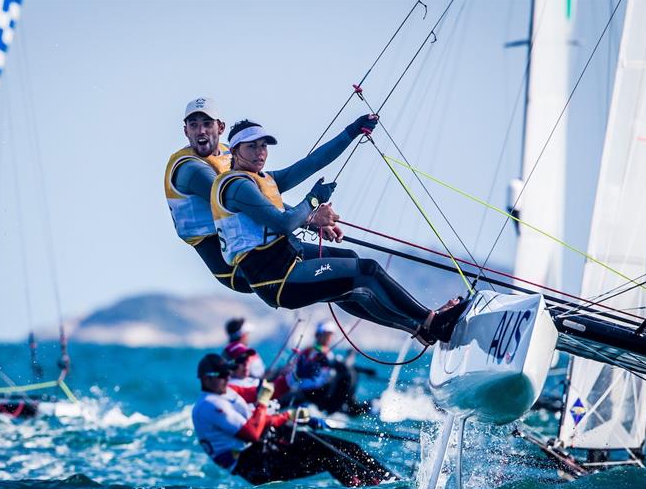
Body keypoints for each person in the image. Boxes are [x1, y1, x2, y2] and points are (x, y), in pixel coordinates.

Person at [210, 119, 469, 345]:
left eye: (263, 146)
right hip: (276, 280)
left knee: (352, 263)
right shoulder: (236, 186)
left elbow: (312, 162)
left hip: (287, 263)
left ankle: (418, 328)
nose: (260, 152)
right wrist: (313, 202)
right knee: (367, 271)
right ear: (234, 151)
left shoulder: (263, 179)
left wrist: (352, 131)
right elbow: (283, 224)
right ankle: (433, 322)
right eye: (251, 147)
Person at [191, 353, 394, 487]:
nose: (228, 378)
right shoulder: (209, 405)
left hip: (268, 446)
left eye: (228, 373)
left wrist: (294, 381)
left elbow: (267, 393)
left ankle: (392, 483)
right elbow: (252, 432)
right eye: (222, 375)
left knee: (349, 448)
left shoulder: (227, 391)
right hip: (255, 465)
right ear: (206, 378)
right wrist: (262, 404)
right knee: (332, 457)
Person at [164, 98, 252, 292]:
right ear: (186, 131)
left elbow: (265, 191)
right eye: (193, 125)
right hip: (234, 267)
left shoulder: (231, 152)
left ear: (221, 127)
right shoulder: (189, 168)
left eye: (207, 124)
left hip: (255, 245)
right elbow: (243, 201)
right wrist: (308, 214)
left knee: (334, 270)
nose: (201, 131)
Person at [284, 321, 368, 415]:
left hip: (321, 391)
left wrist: (363, 370)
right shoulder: (314, 351)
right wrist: (351, 355)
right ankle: (348, 407)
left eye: (330, 335)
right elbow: (336, 363)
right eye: (326, 334)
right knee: (349, 374)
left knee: (351, 373)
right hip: (312, 394)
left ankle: (350, 405)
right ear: (318, 335)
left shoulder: (325, 352)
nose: (328, 337)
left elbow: (336, 363)